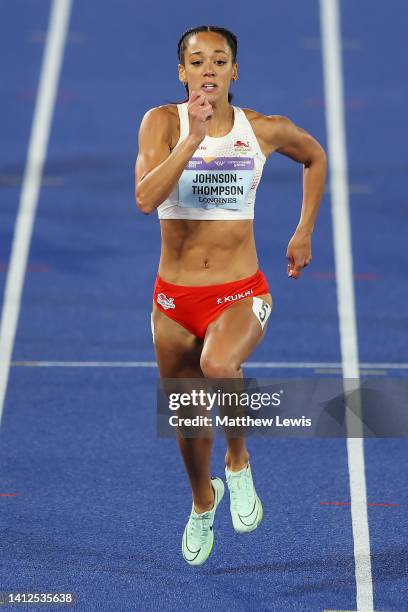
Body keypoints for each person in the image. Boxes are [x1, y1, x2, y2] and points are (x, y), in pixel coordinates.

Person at [135, 25, 327, 566]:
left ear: (234, 71)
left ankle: (239, 463)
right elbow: (146, 198)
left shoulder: (262, 130)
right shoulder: (161, 123)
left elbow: (315, 157)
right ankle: (203, 503)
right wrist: (192, 138)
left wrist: (303, 230)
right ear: (183, 72)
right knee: (190, 425)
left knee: (220, 364)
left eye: (220, 61)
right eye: (198, 62)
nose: (209, 70)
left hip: (241, 292)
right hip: (173, 303)